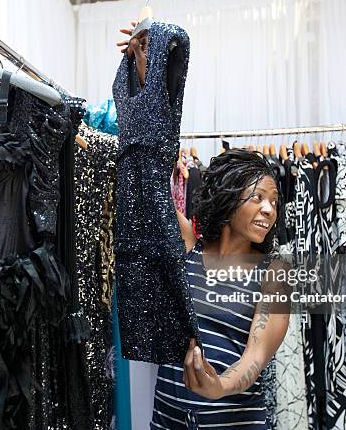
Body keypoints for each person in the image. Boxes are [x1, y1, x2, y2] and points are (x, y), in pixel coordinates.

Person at [118, 25, 290, 429]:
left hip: (233, 422)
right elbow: (149, 183)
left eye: (274, 203)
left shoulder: (275, 274)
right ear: (229, 199)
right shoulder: (189, 246)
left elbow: (255, 358)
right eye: (258, 198)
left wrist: (220, 386)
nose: (269, 210)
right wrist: (145, 62)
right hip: (169, 419)